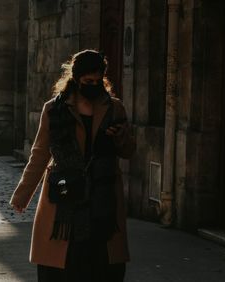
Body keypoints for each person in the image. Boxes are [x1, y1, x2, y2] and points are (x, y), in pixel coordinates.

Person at [9, 49, 136, 281]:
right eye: (88, 81)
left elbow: (128, 151)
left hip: (103, 198)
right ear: (76, 79)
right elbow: (39, 154)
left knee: (102, 266)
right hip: (65, 195)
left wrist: (119, 136)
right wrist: (22, 195)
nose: (94, 85)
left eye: (98, 81)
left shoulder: (114, 107)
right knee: (64, 266)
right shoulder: (54, 109)